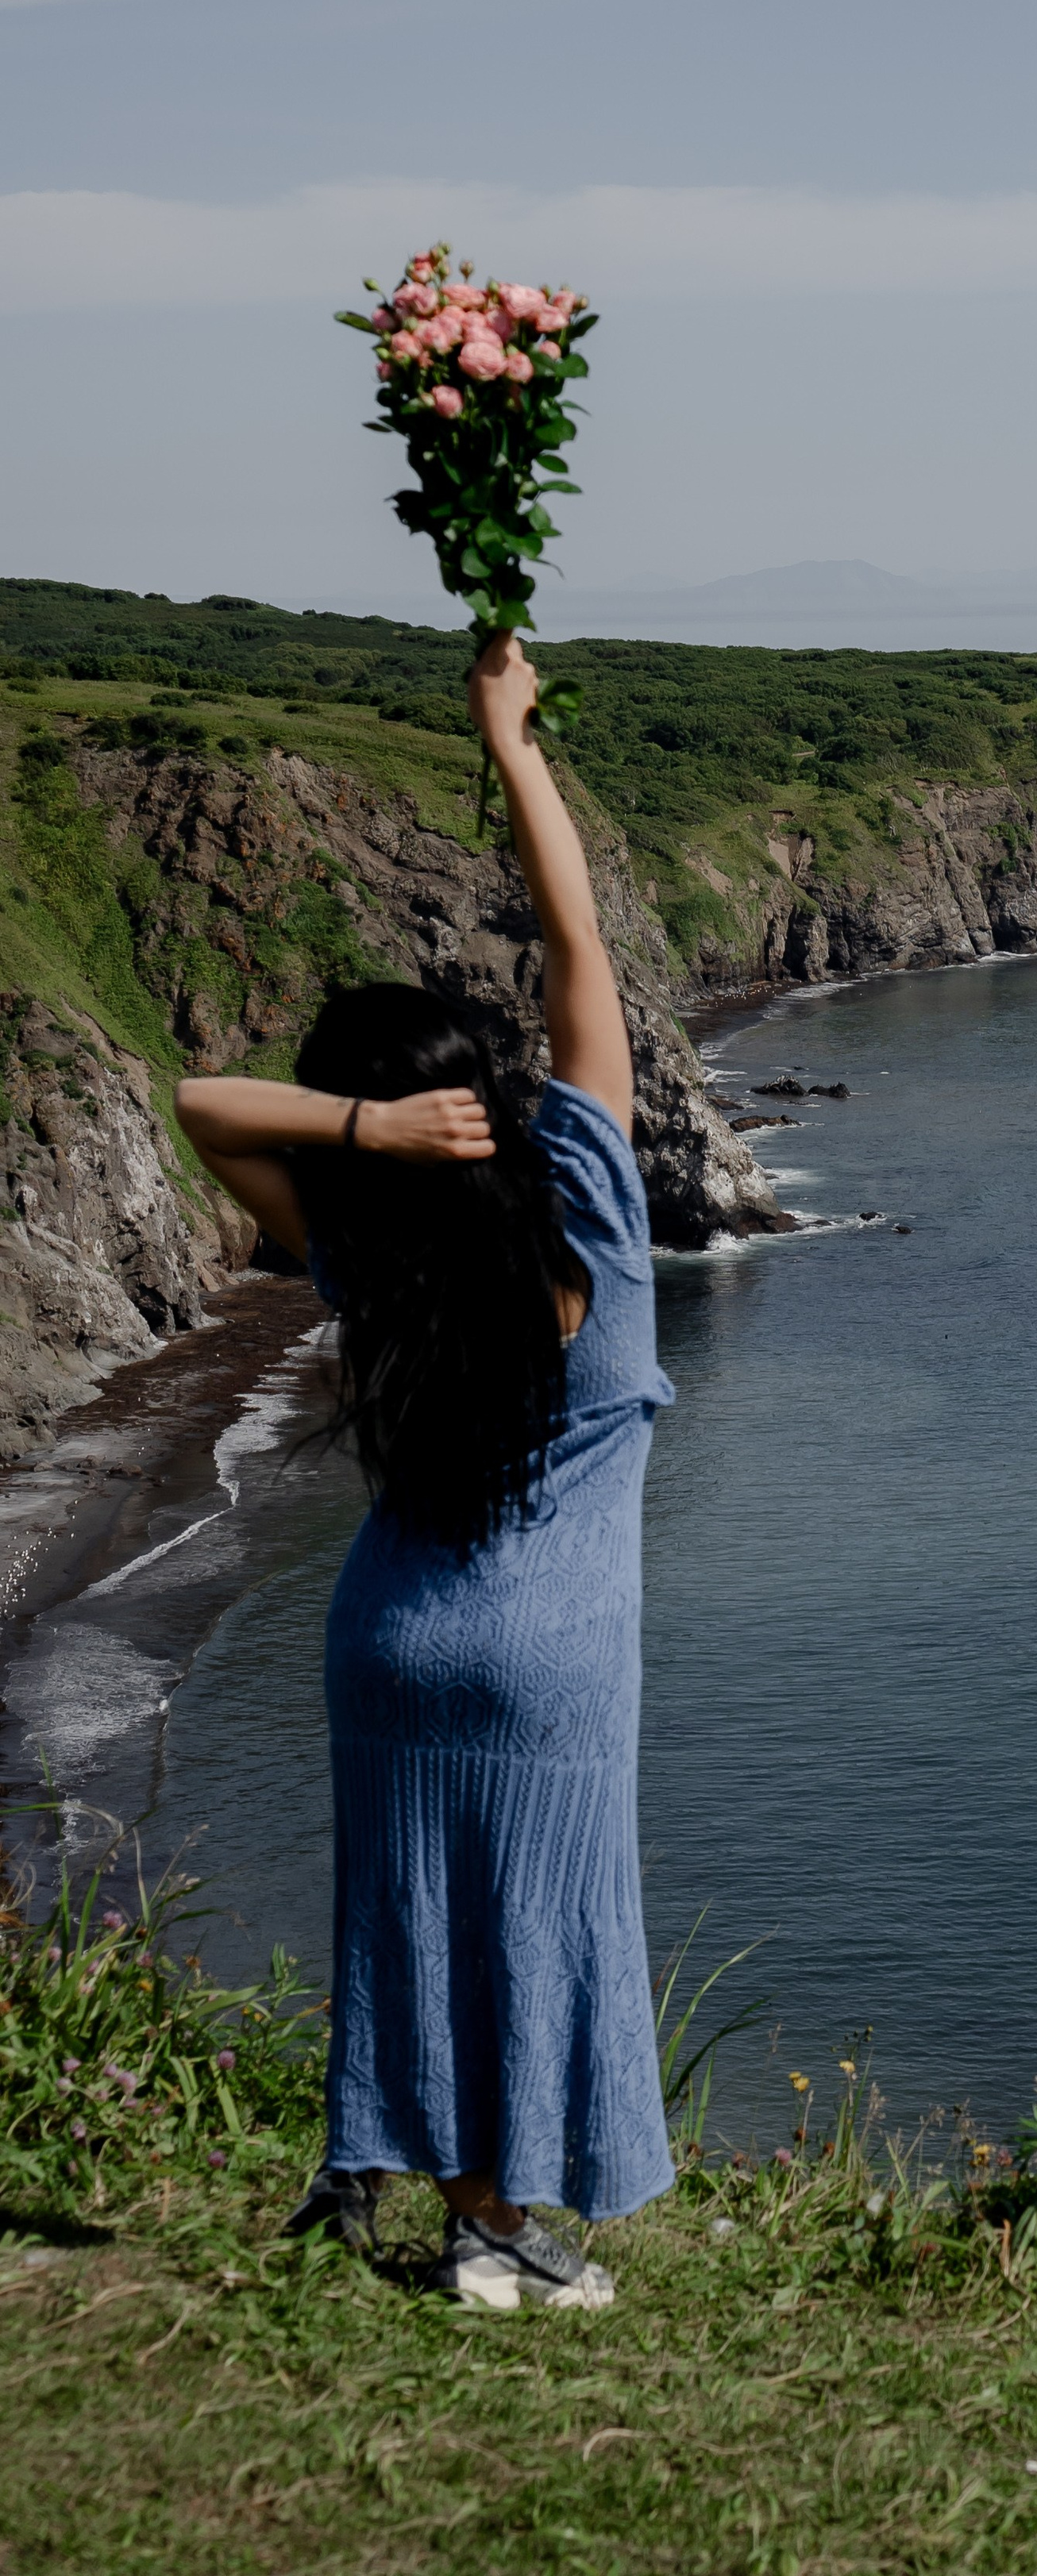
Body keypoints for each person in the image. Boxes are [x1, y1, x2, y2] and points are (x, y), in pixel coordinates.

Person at [175, 632, 675, 2309]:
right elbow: (578, 948)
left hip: (388, 1630)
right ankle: (514, 2228)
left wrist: (360, 1140)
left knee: (412, 1918)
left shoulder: (366, 1257)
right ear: (489, 1102)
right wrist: (511, 742)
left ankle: (431, 2198)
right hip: (548, 1659)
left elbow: (201, 1105)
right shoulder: (591, 1218)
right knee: (542, 1920)